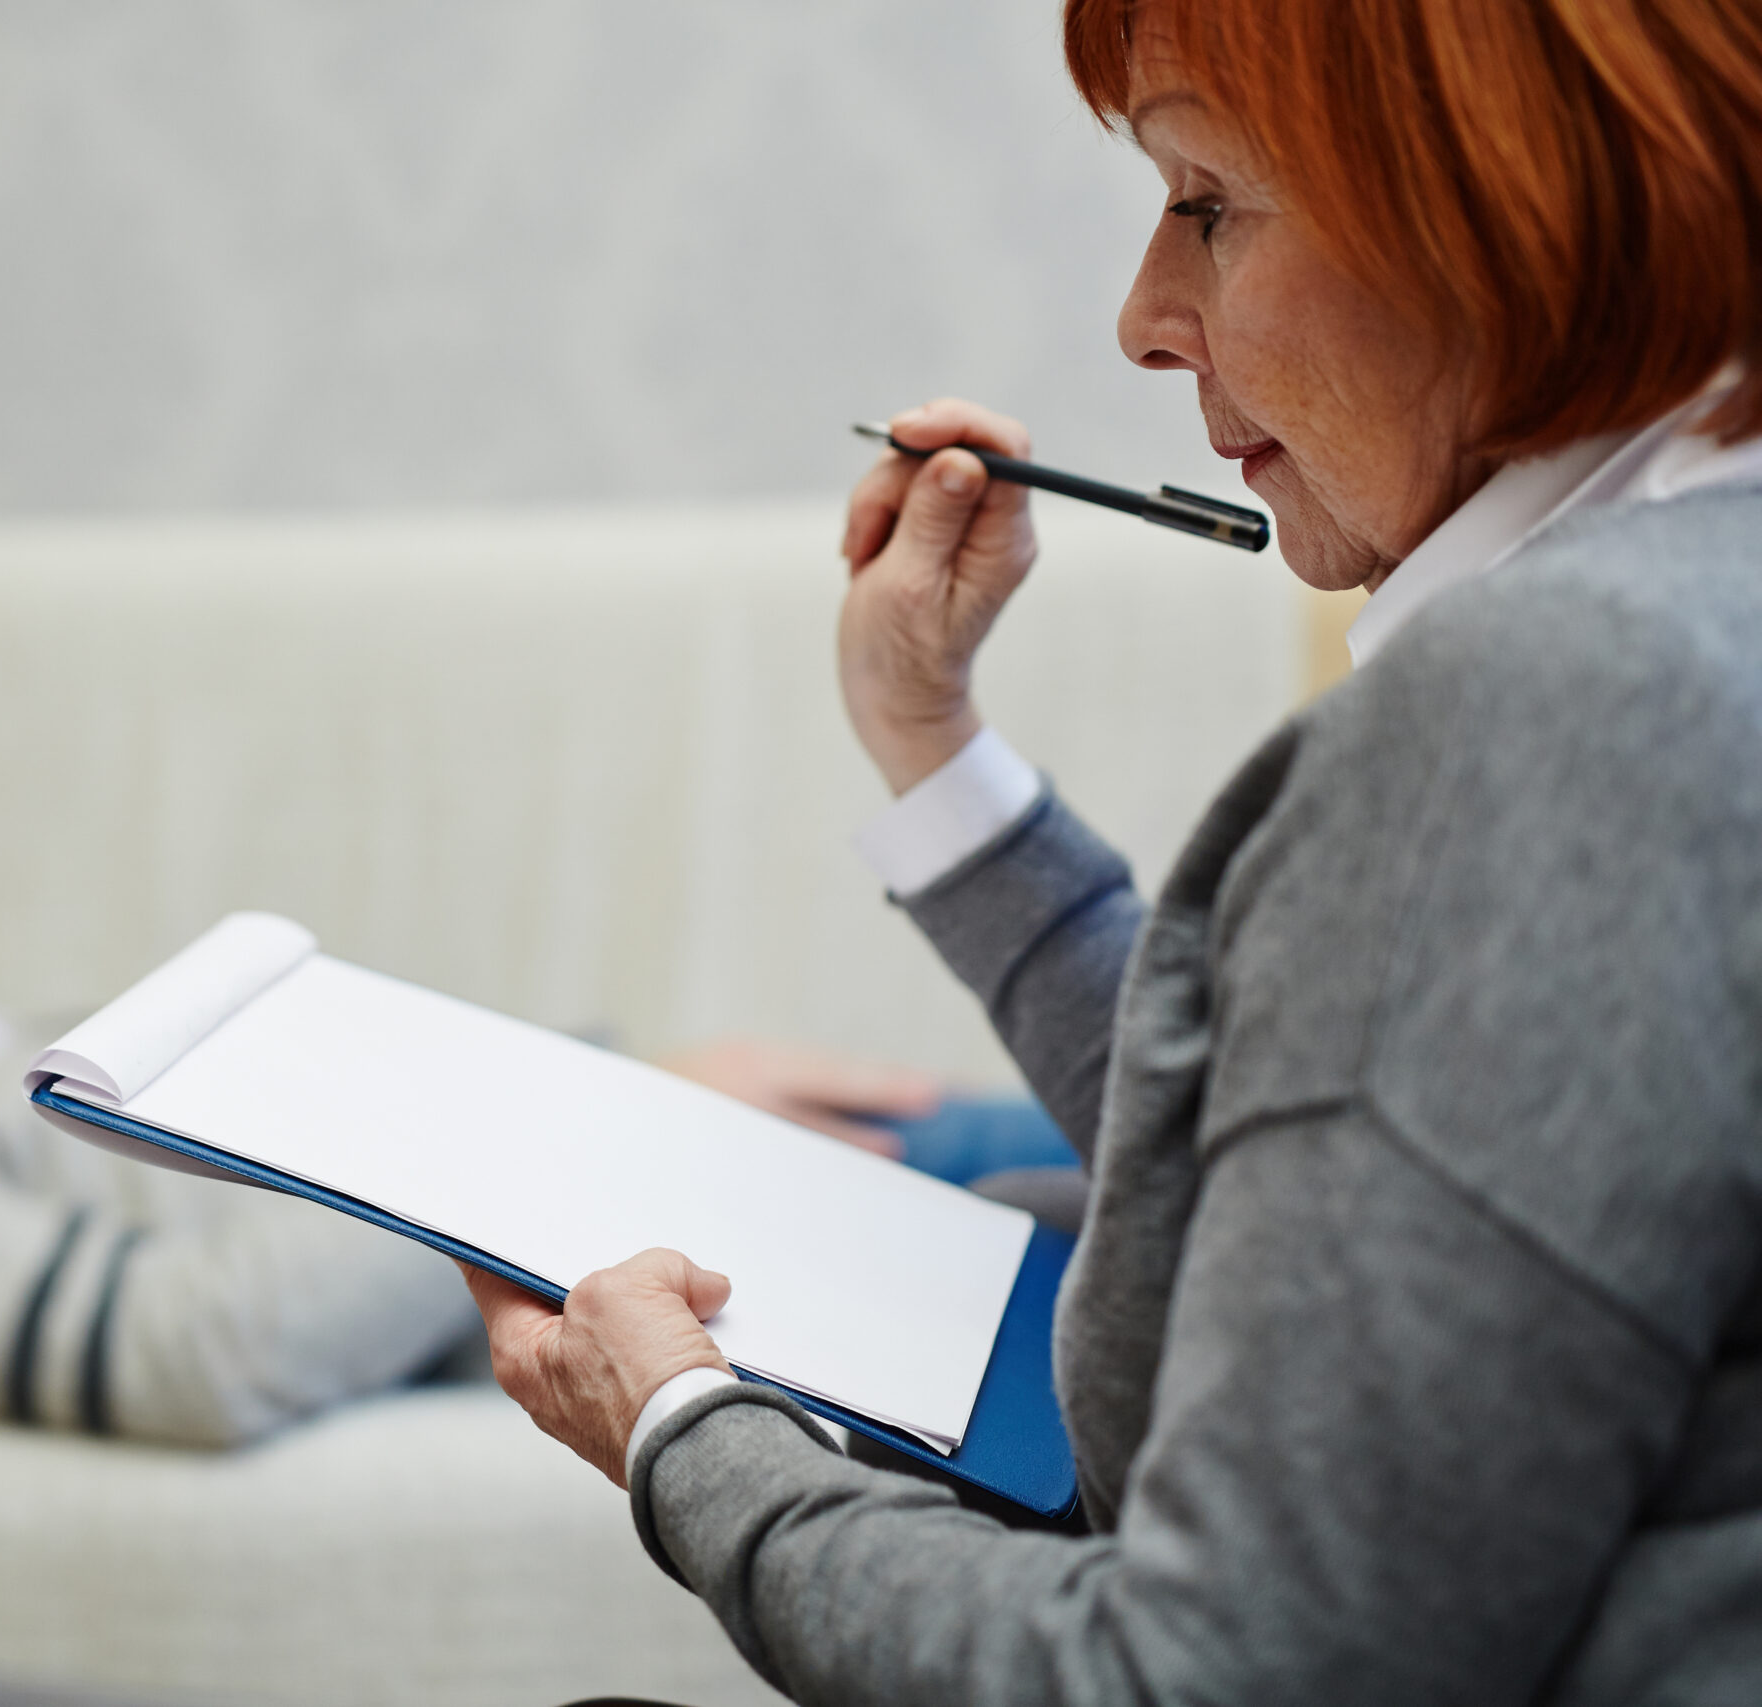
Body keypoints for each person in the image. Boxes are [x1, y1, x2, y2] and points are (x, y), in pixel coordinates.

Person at [463, 2, 1762, 1703]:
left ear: (1500, 202)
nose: (1146, 320)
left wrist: (690, 1444)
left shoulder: (1546, 708)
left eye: (1206, 199)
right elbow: (1315, 1147)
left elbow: (1207, 1678)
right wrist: (927, 743)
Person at [0, 811, 994, 1448]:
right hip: (665, 1259)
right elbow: (196, 1353)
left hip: (668, 1183)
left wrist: (631, 1098)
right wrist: (619, 1118)